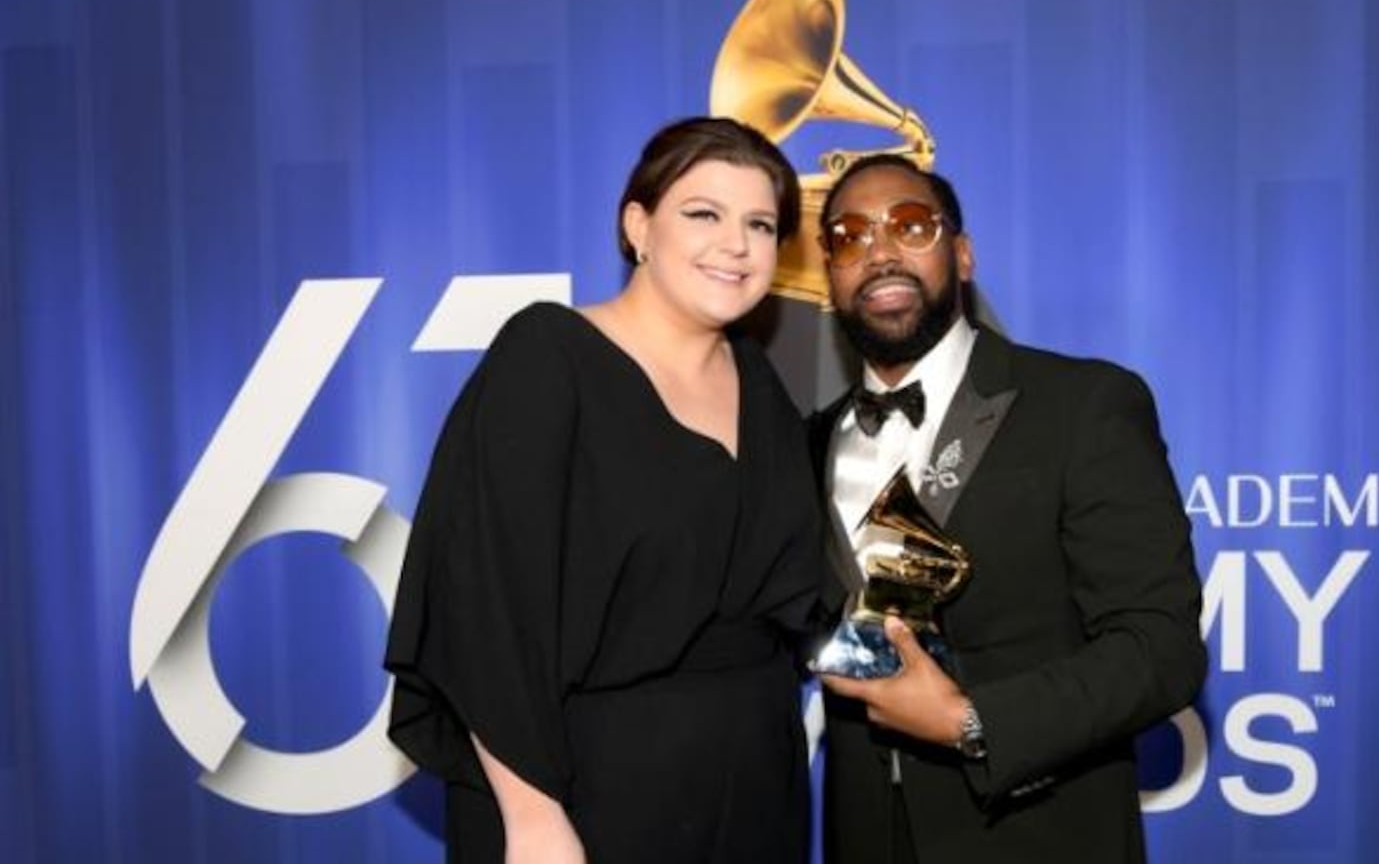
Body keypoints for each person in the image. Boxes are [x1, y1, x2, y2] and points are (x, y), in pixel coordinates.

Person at [384, 117, 820, 864]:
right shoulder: (548, 358)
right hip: (583, 787)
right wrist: (534, 817)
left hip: (753, 787)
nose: (736, 245)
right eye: (703, 214)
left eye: (760, 223)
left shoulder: (762, 384)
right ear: (638, 225)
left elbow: (794, 600)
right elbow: (485, 609)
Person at [811, 154, 1206, 863]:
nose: (879, 250)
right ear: (829, 277)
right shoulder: (806, 443)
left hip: (1039, 836)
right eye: (849, 236)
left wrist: (972, 720)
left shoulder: (1081, 405)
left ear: (962, 256)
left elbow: (1162, 650)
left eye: (909, 224)